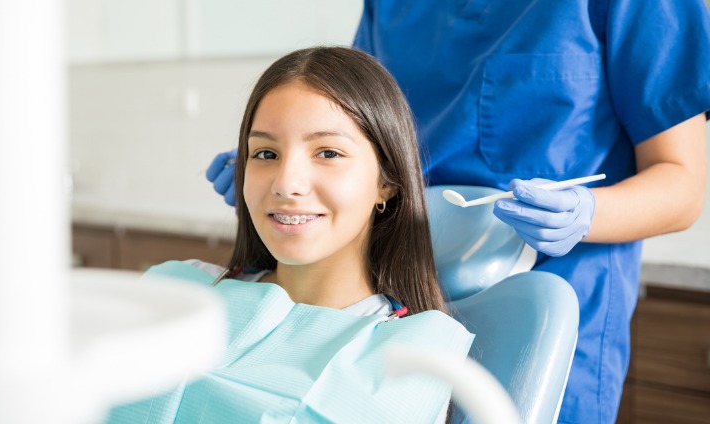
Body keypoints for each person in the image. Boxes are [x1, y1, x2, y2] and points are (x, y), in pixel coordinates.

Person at [207, 1, 710, 422]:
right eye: (263, 152)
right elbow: (354, 121)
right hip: (392, 292)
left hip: (560, 290)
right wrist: (285, 179)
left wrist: (587, 212)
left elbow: (682, 184)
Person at [105, 47, 473, 424]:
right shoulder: (179, 291)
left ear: (387, 183)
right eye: (266, 154)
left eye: (328, 153)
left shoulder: (408, 359)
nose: (286, 184)